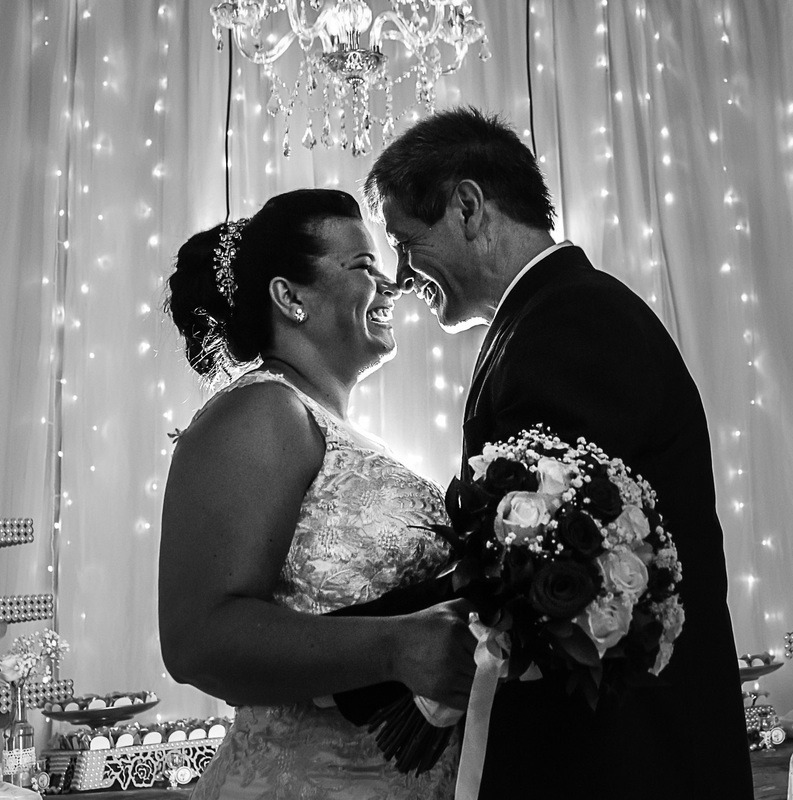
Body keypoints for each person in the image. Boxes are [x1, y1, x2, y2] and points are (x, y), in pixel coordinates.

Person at [363, 107, 755, 799]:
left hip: (622, 761)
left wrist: (329, 656)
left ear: (467, 207)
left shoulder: (570, 323)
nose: (400, 274)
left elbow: (535, 566)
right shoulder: (551, 314)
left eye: (405, 241)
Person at [158, 188, 476, 799]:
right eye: (364, 266)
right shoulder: (262, 412)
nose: (392, 285)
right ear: (290, 298)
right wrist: (396, 646)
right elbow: (198, 640)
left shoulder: (340, 430)